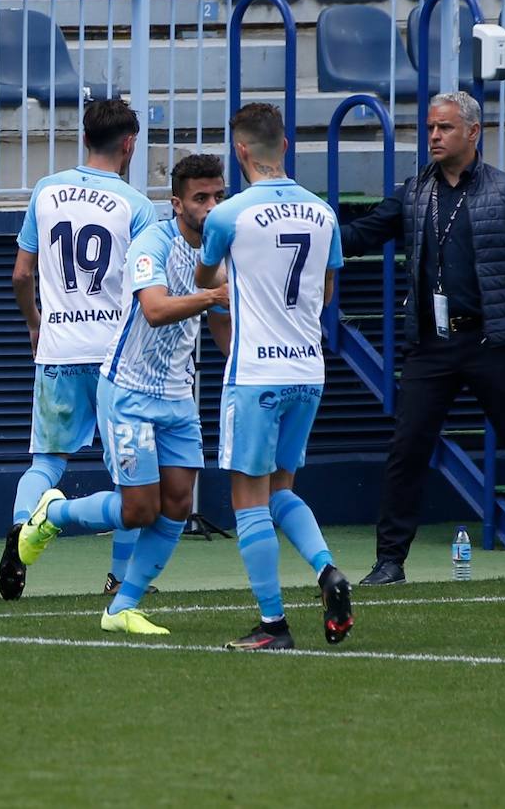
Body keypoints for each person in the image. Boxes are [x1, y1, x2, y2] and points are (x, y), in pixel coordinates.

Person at [340, 91, 505, 584]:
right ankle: (390, 562)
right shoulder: (413, 191)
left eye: (444, 128)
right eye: (430, 127)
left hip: (494, 340)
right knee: (407, 449)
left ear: (472, 132)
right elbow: (363, 234)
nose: (433, 136)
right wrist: (312, 224)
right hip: (432, 342)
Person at [18, 155, 230, 634]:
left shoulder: (220, 248)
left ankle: (122, 606)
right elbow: (154, 309)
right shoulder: (152, 241)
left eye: (219, 196)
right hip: (129, 389)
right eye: (201, 198)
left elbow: (222, 326)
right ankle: (54, 513)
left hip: (177, 393)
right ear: (177, 204)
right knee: (139, 509)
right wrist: (214, 297)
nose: (212, 206)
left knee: (178, 502)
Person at [195, 103, 353, 651]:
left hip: (255, 371)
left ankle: (273, 625)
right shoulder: (324, 213)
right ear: (284, 146)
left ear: (240, 150)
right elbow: (326, 292)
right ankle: (328, 569)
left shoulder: (227, 214)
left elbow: (206, 279)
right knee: (283, 488)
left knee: (247, 498)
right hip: (308, 369)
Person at [0, 99, 155, 602]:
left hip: (59, 347)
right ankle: (119, 577)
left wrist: (34, 324)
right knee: (128, 472)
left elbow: (22, 274)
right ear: (129, 143)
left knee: (46, 463)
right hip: (116, 357)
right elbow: (145, 289)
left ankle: (20, 536)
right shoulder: (136, 205)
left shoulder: (45, 192)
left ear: (84, 136)